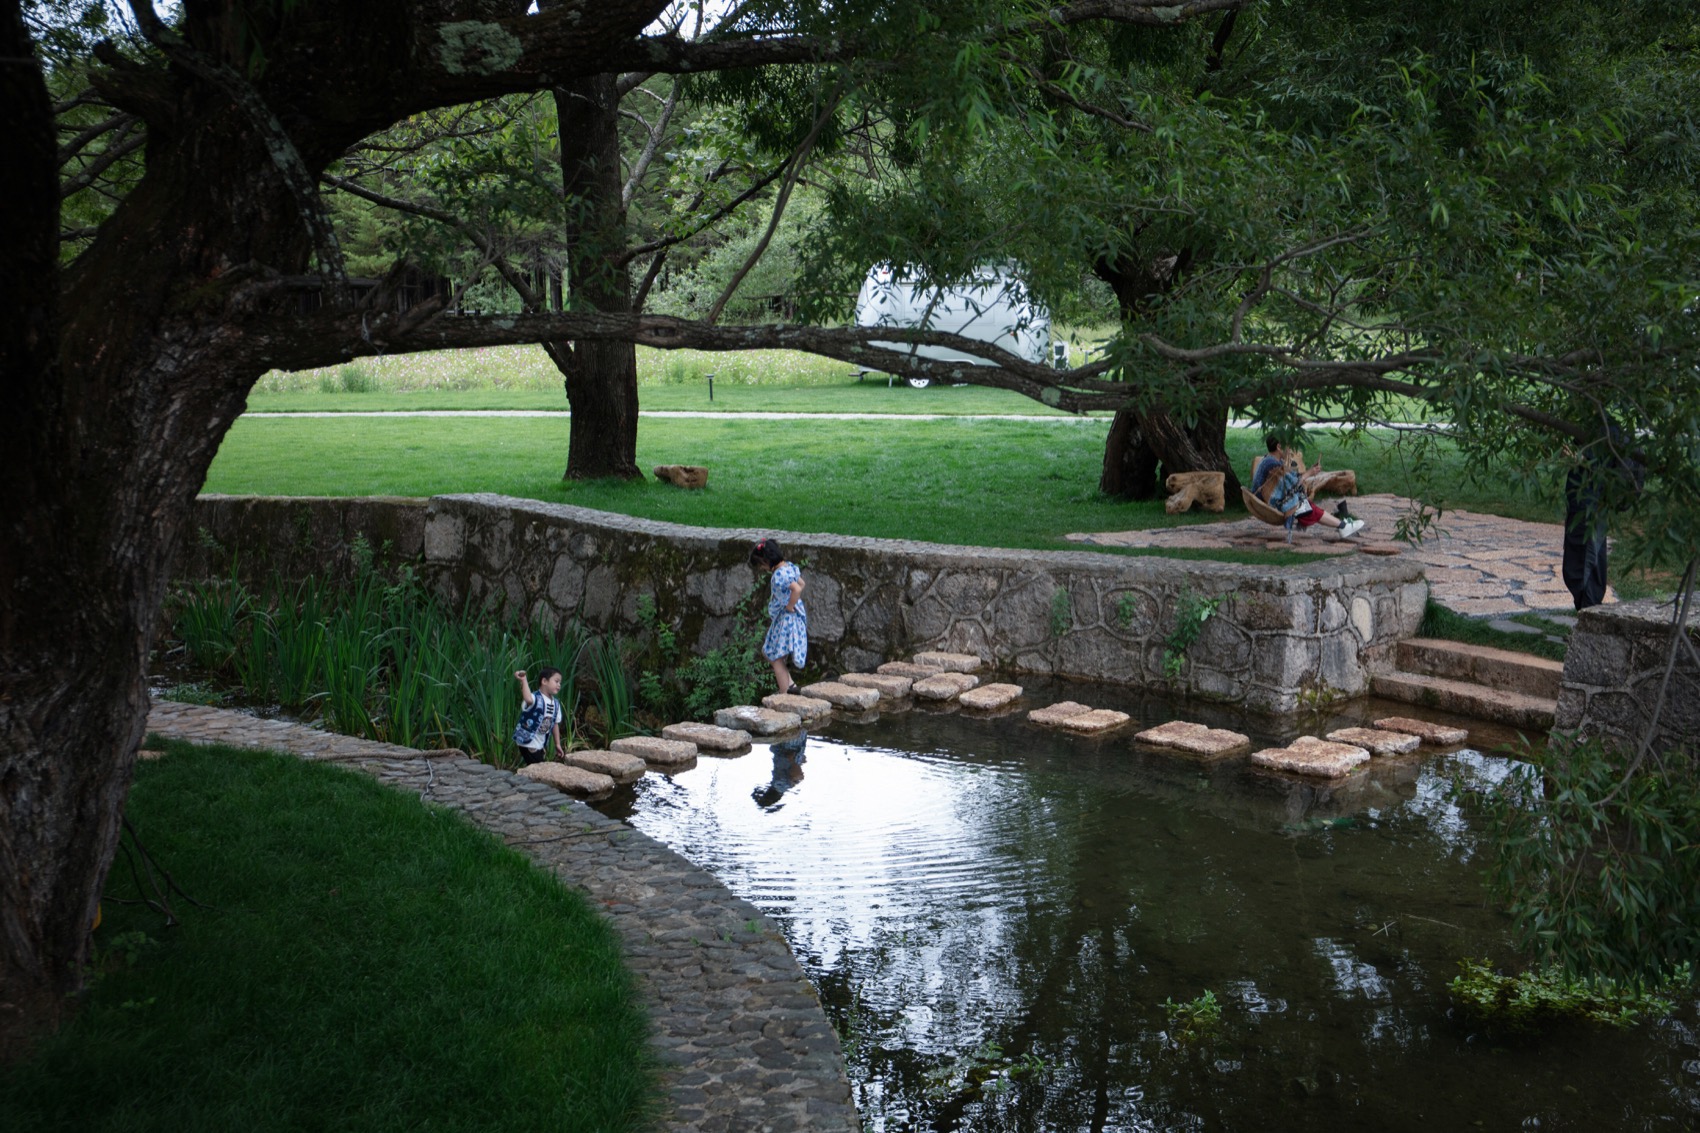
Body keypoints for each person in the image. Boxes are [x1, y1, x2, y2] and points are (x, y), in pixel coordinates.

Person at [1562, 424, 1645, 610]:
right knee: (1579, 561)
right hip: (1583, 505)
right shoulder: (1592, 425)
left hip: (1589, 507)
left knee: (1585, 563)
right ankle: (1585, 613)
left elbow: (1599, 468)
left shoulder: (1602, 430)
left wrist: (1578, 460)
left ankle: (1588, 613)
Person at [1251, 435, 1366, 539]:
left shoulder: (1269, 460)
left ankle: (1342, 525)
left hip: (1269, 498)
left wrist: (1309, 472)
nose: (1289, 450)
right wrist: (1309, 473)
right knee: (1304, 506)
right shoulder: (1273, 464)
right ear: (1279, 446)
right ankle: (1343, 526)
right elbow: (1292, 485)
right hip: (1269, 503)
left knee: (1306, 505)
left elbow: (1288, 482)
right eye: (1288, 446)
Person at [751, 537, 807, 695]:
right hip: (786, 618)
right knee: (768, 651)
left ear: (767, 560)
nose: (762, 569)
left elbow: (797, 589)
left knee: (775, 657)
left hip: (786, 619)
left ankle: (785, 694)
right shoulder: (789, 567)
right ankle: (791, 686)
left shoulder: (779, 575)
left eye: (761, 565)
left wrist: (789, 606)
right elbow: (802, 583)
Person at [512, 665, 565, 766]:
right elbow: (528, 699)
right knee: (539, 766)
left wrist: (557, 744)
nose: (559, 685)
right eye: (556, 681)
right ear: (544, 681)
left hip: (540, 743)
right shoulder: (535, 698)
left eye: (560, 683)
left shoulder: (556, 704)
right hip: (528, 741)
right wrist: (524, 680)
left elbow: (555, 724)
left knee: (536, 767)